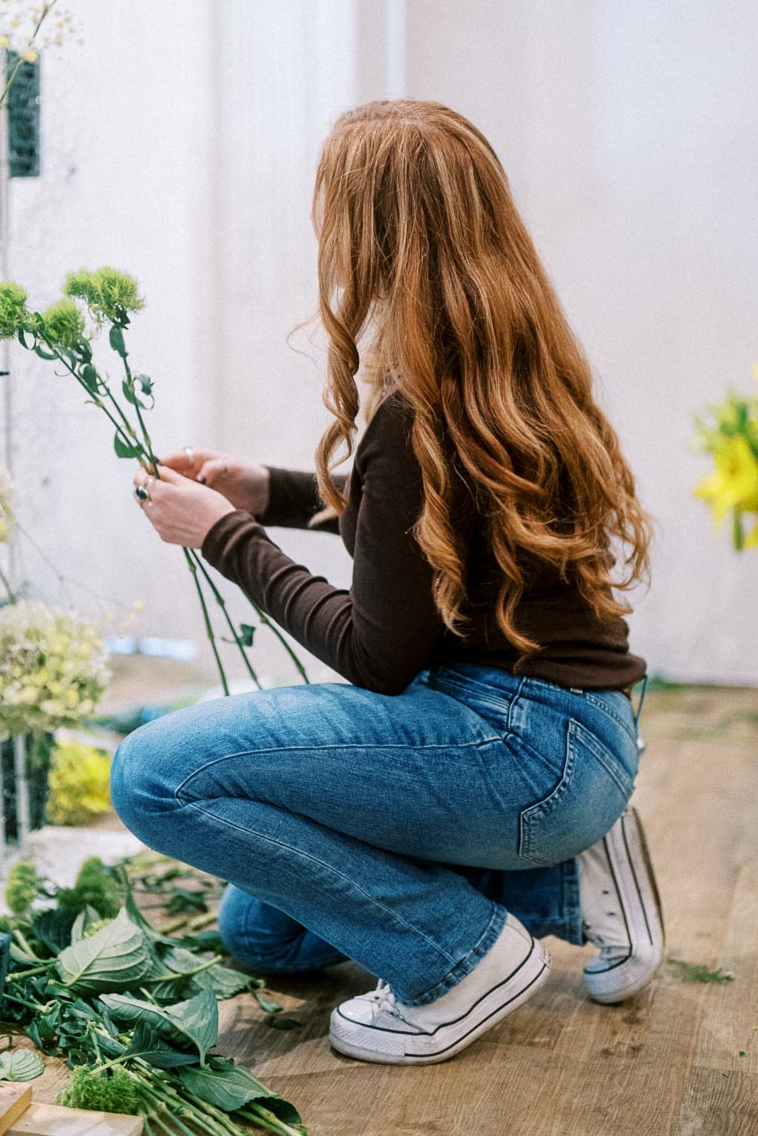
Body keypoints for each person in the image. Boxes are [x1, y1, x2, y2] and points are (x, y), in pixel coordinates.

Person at [111, 99, 665, 1067]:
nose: (323, 237)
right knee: (263, 932)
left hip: (517, 747)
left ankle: (462, 959)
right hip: (585, 743)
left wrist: (227, 536)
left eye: (335, 214)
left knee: (153, 774)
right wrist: (270, 490)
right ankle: (570, 884)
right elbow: (426, 546)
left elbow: (377, 653)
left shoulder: (412, 413)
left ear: (377, 235)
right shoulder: (509, 364)